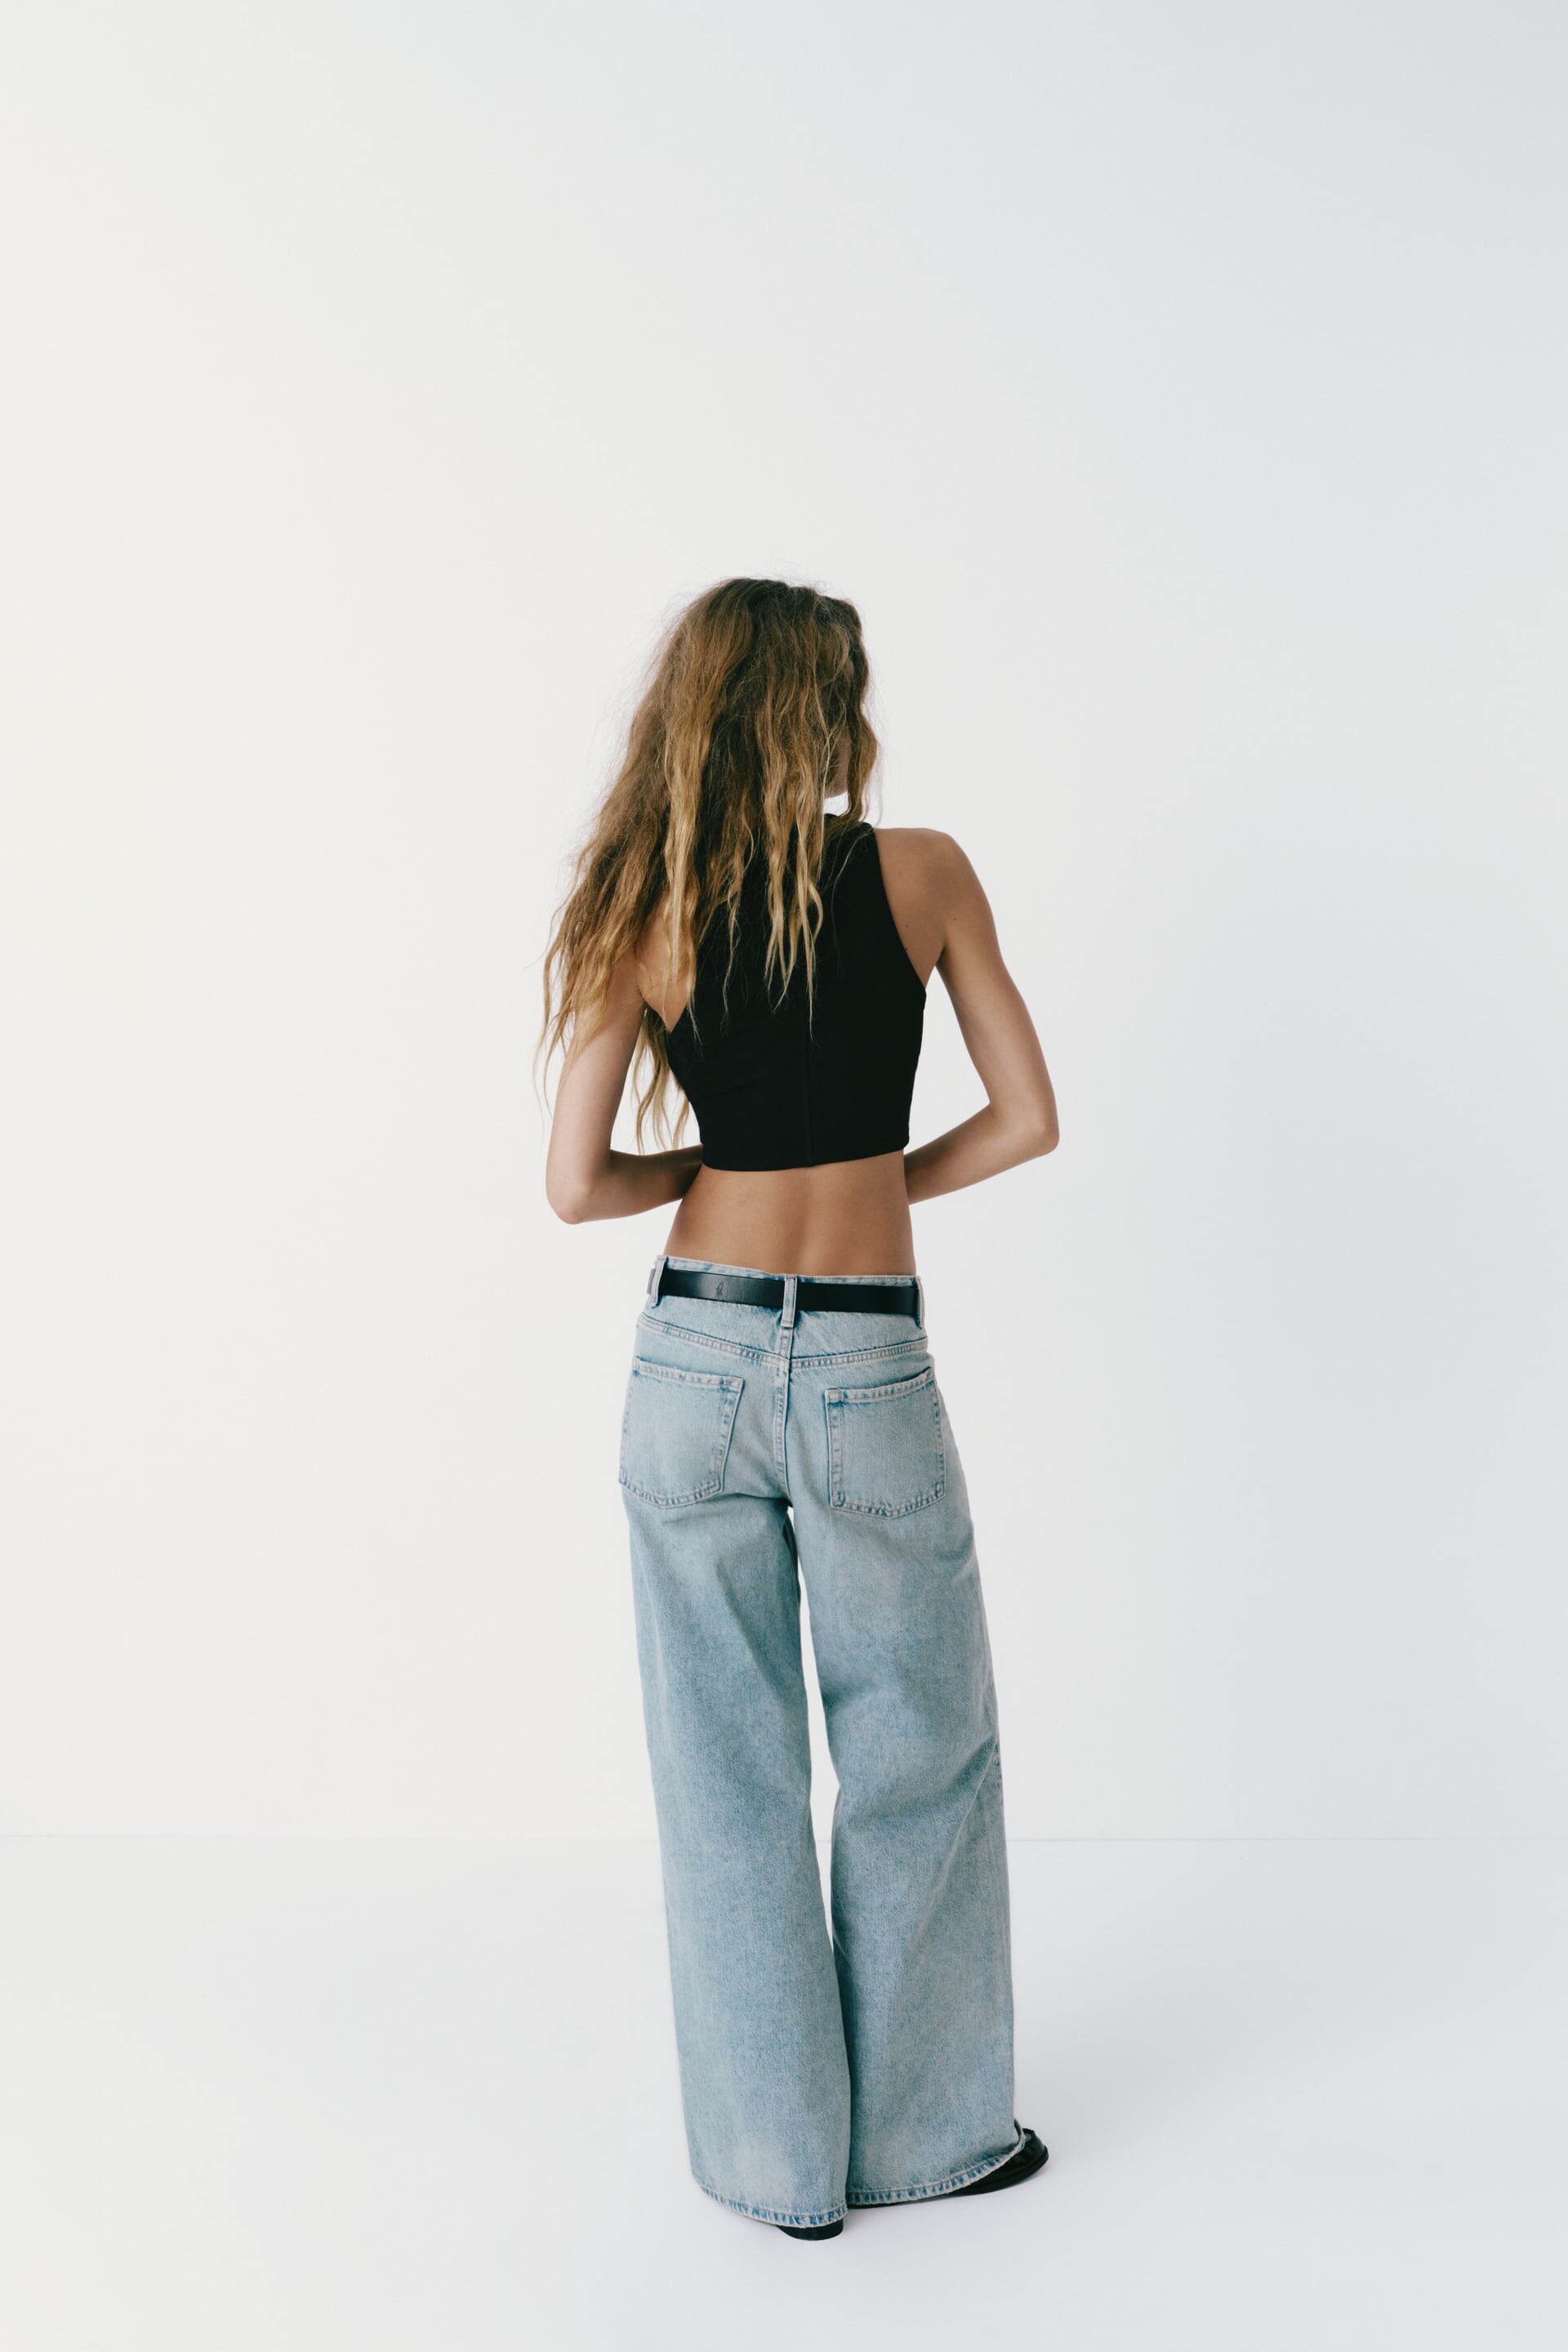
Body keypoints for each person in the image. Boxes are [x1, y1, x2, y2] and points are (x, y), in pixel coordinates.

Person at [541, 577, 1059, 2238]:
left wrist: (714, 1166)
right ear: (827, 707)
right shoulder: (925, 873)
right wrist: (870, 1185)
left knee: (723, 1769)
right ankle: (926, 2142)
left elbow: (574, 1186)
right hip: (861, 1356)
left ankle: (778, 2173)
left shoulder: (641, 900)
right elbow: (1028, 1118)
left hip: (689, 1358)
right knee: (920, 1746)